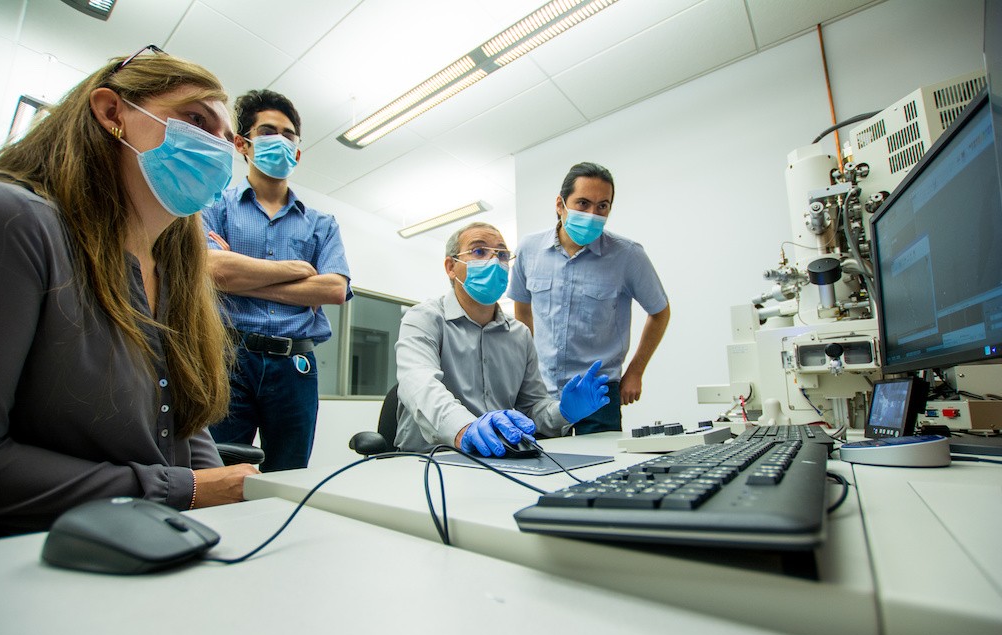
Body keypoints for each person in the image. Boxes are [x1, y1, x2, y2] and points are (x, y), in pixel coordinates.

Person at [0, 46, 257, 537]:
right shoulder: (11, 220)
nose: (217, 149)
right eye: (196, 119)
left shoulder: (174, 269)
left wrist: (229, 498)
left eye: (225, 139)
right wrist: (186, 491)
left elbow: (182, 424)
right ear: (112, 113)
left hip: (146, 539)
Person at [202, 90, 351, 473]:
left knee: (290, 474)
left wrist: (239, 277)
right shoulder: (213, 206)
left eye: (289, 136)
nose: (281, 142)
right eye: (268, 132)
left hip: (295, 363)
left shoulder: (322, 224)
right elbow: (212, 270)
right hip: (228, 357)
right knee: (216, 469)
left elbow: (334, 289)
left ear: (297, 154)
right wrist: (299, 269)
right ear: (242, 144)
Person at [395, 222, 609, 457]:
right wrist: (464, 428)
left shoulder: (520, 334)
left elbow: (532, 408)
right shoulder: (424, 318)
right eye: (479, 251)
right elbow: (418, 383)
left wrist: (563, 412)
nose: (494, 261)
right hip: (428, 459)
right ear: (451, 267)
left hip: (498, 457)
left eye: (502, 255)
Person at [508, 162, 670, 434]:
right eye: (583, 203)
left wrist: (636, 371)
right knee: (539, 470)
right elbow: (522, 309)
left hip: (598, 393)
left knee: (600, 469)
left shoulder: (628, 255)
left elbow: (660, 311)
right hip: (540, 392)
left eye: (602, 206)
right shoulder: (529, 249)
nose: (593, 214)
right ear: (560, 205)